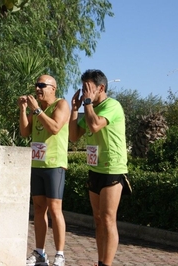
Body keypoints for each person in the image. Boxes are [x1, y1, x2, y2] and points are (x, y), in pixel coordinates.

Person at [69, 69, 129, 266]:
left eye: (88, 88)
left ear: (101, 88)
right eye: (83, 87)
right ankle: (100, 261)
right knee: (97, 219)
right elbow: (74, 136)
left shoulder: (112, 105)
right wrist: (73, 109)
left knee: (108, 218)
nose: (85, 92)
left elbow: (94, 126)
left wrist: (86, 104)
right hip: (94, 169)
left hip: (112, 168)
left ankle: (107, 264)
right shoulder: (88, 108)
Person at [18, 75, 70, 266]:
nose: (38, 89)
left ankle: (60, 254)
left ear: (53, 88)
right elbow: (25, 132)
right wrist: (23, 110)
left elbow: (55, 127)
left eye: (42, 85)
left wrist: (37, 110)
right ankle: (40, 252)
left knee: (55, 209)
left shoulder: (61, 104)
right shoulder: (36, 109)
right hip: (37, 165)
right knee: (39, 209)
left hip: (54, 165)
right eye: (36, 85)